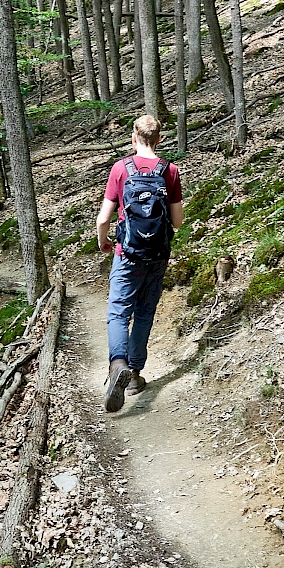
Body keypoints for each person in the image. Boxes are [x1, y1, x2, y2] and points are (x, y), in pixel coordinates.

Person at [95, 115, 184, 411]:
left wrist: (104, 242)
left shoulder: (121, 169)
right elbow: (178, 222)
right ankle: (133, 375)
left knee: (119, 313)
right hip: (157, 254)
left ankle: (117, 364)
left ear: (134, 138)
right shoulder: (169, 171)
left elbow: (103, 218)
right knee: (144, 314)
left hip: (127, 253)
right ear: (159, 139)